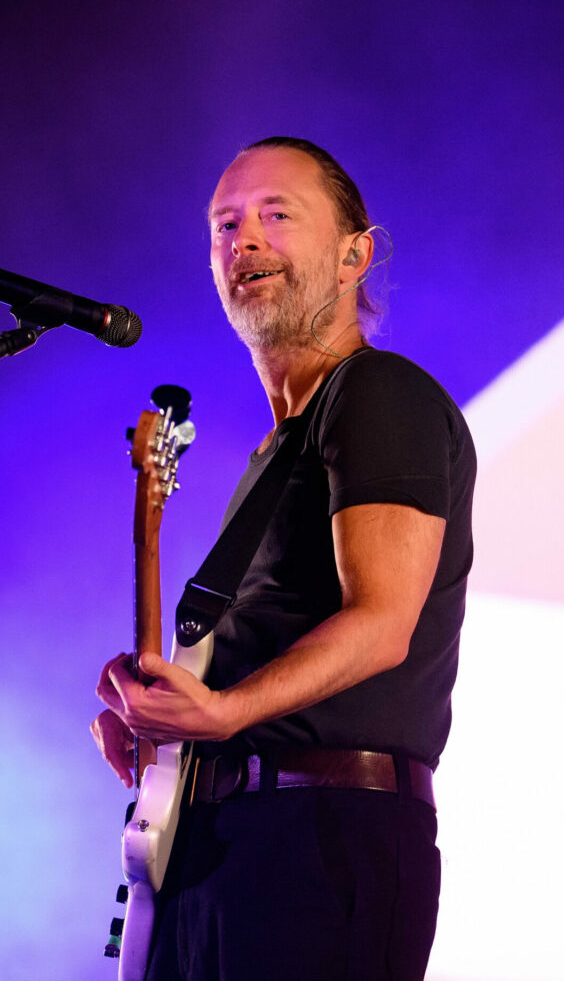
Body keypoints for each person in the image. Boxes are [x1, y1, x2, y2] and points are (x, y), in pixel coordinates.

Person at [91, 137, 476, 981]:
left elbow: (382, 623)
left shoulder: (378, 392)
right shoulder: (279, 448)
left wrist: (225, 715)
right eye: (225, 224)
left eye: (277, 215)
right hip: (221, 839)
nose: (245, 239)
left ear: (354, 255)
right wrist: (165, 708)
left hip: (320, 839)